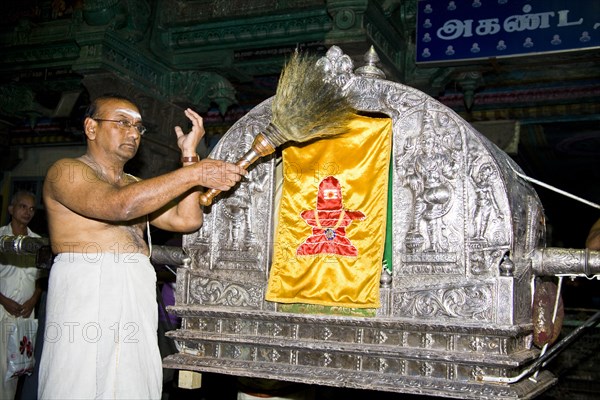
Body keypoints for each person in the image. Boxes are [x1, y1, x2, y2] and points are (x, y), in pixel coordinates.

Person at [38, 94, 246, 399]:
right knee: (79, 383)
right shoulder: (66, 171)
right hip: (88, 291)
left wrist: (189, 156)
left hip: (135, 293)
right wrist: (194, 174)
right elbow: (118, 207)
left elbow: (187, 220)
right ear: (90, 127)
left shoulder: (133, 183)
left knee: (133, 385)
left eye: (138, 127)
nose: (134, 133)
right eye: (122, 123)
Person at [0, 190, 44, 400]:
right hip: (1, 311)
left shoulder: (37, 243)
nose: (28, 212)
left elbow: (40, 279)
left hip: (25, 315)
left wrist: (34, 298)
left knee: (16, 368)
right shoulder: (0, 237)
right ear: (11, 209)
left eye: (32, 208)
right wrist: (3, 300)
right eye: (22, 206)